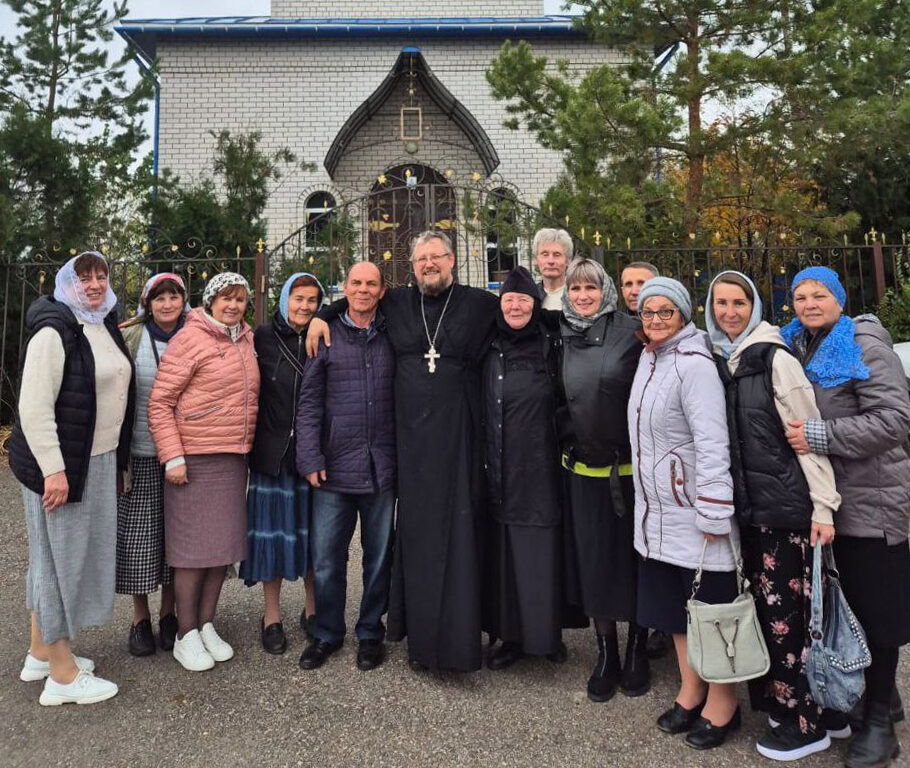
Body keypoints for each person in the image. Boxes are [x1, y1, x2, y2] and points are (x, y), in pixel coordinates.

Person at [307, 232, 499, 672]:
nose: (429, 264)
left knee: (446, 543)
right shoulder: (397, 305)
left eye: (437, 257)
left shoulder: (479, 304)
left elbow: (520, 316)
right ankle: (401, 638)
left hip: (456, 445)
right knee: (401, 545)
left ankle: (442, 638)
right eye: (421, 259)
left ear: (452, 260)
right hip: (408, 451)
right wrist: (323, 313)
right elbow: (356, 301)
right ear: (411, 268)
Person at [706, 270, 843, 762]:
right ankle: (788, 708)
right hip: (755, 511)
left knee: (794, 620)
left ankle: (809, 722)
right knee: (772, 617)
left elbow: (808, 434)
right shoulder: (728, 360)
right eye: (720, 303)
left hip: (788, 511)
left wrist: (824, 505)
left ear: (755, 305)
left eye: (738, 302)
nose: (729, 312)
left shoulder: (774, 358)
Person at [781, 267, 910, 768]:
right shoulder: (800, 344)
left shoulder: (864, 345)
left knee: (877, 614)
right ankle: (879, 701)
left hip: (874, 501)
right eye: (800, 296)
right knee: (848, 607)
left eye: (819, 295)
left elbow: (895, 421)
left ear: (839, 298)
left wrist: (818, 436)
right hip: (835, 501)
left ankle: (880, 720)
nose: (809, 303)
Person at [8, 251, 135, 705]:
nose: (96, 283)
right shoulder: (54, 330)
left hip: (93, 457)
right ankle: (62, 677)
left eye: (101, 275)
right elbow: (34, 406)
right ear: (68, 282)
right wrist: (54, 471)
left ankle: (41, 652)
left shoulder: (100, 323)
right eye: (85, 277)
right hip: (62, 465)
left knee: (50, 556)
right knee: (60, 563)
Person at [628, 277, 742, 750]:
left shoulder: (693, 365)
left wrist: (715, 510)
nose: (655, 320)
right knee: (675, 611)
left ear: (683, 314)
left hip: (694, 510)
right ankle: (691, 688)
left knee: (713, 612)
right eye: (648, 312)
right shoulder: (649, 358)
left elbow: (712, 441)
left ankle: (724, 701)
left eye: (665, 312)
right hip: (657, 511)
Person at [148, 272, 260, 672]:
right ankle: (185, 633)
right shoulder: (190, 339)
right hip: (193, 459)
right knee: (192, 553)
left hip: (232, 456)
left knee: (221, 551)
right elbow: (160, 402)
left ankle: (206, 624)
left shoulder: (245, 338)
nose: (233, 306)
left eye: (240, 299)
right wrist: (172, 456)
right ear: (210, 301)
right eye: (225, 298)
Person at [296, 262, 396, 672]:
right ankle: (326, 633)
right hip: (334, 466)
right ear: (346, 288)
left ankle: (371, 631)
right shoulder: (327, 334)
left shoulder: (395, 333)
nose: (363, 290)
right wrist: (309, 456)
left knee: (378, 556)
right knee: (326, 557)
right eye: (356, 283)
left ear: (382, 290)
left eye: (371, 283)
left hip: (382, 466)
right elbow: (309, 402)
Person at [557, 258, 649, 701]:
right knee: (594, 566)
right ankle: (606, 650)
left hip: (627, 471)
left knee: (633, 562)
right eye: (575, 289)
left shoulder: (630, 330)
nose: (582, 296)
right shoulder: (558, 333)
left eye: (590, 288)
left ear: (604, 290)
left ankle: (637, 648)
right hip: (581, 471)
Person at [481, 266, 570, 669]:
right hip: (499, 463)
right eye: (509, 299)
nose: (515, 306)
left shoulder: (551, 342)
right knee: (503, 555)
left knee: (540, 554)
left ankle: (545, 635)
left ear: (535, 305)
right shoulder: (488, 343)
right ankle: (510, 637)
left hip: (540, 465)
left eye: (523, 299)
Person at [241, 272, 323, 655]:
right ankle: (270, 616)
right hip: (271, 453)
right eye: (298, 299)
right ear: (284, 299)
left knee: (312, 538)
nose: (304, 306)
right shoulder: (260, 338)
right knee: (271, 538)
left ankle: (312, 610)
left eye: (311, 300)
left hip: (312, 455)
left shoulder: (323, 334)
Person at [117, 273, 187, 657]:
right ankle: (139, 617)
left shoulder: (194, 333)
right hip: (141, 453)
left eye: (173, 296)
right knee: (140, 541)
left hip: (183, 454)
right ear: (147, 302)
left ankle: (168, 613)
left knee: (177, 539)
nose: (166, 304)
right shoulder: (130, 337)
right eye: (158, 298)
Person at [533, 228, 572, 310]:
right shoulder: (530, 296)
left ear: (568, 261)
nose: (550, 261)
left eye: (557, 255)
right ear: (535, 260)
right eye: (545, 254)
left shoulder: (579, 296)